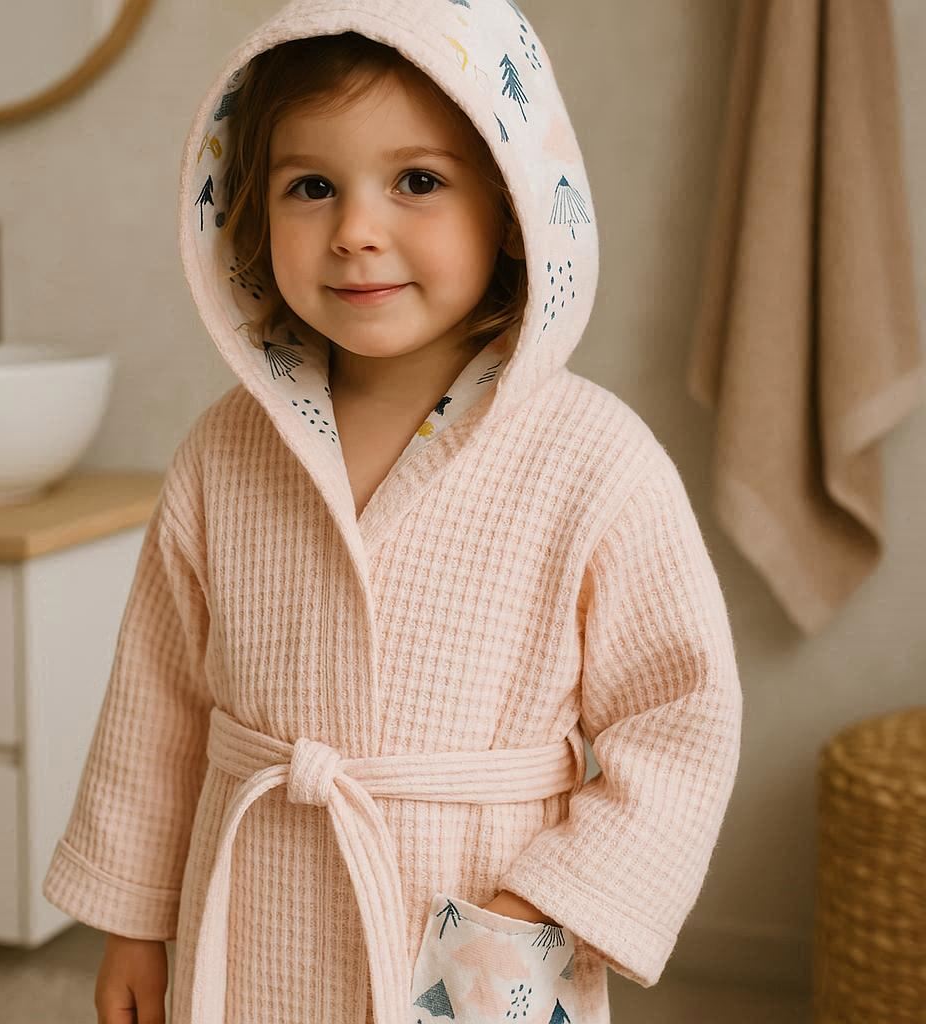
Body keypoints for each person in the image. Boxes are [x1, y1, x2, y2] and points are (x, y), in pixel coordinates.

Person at [43, 1, 744, 1022]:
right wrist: (133, 922)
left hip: (482, 918)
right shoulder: (224, 451)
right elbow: (154, 708)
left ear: (512, 207)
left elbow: (679, 716)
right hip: (258, 915)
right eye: (311, 187)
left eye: (417, 181)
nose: (355, 233)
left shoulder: (595, 457)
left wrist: (539, 906)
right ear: (250, 209)